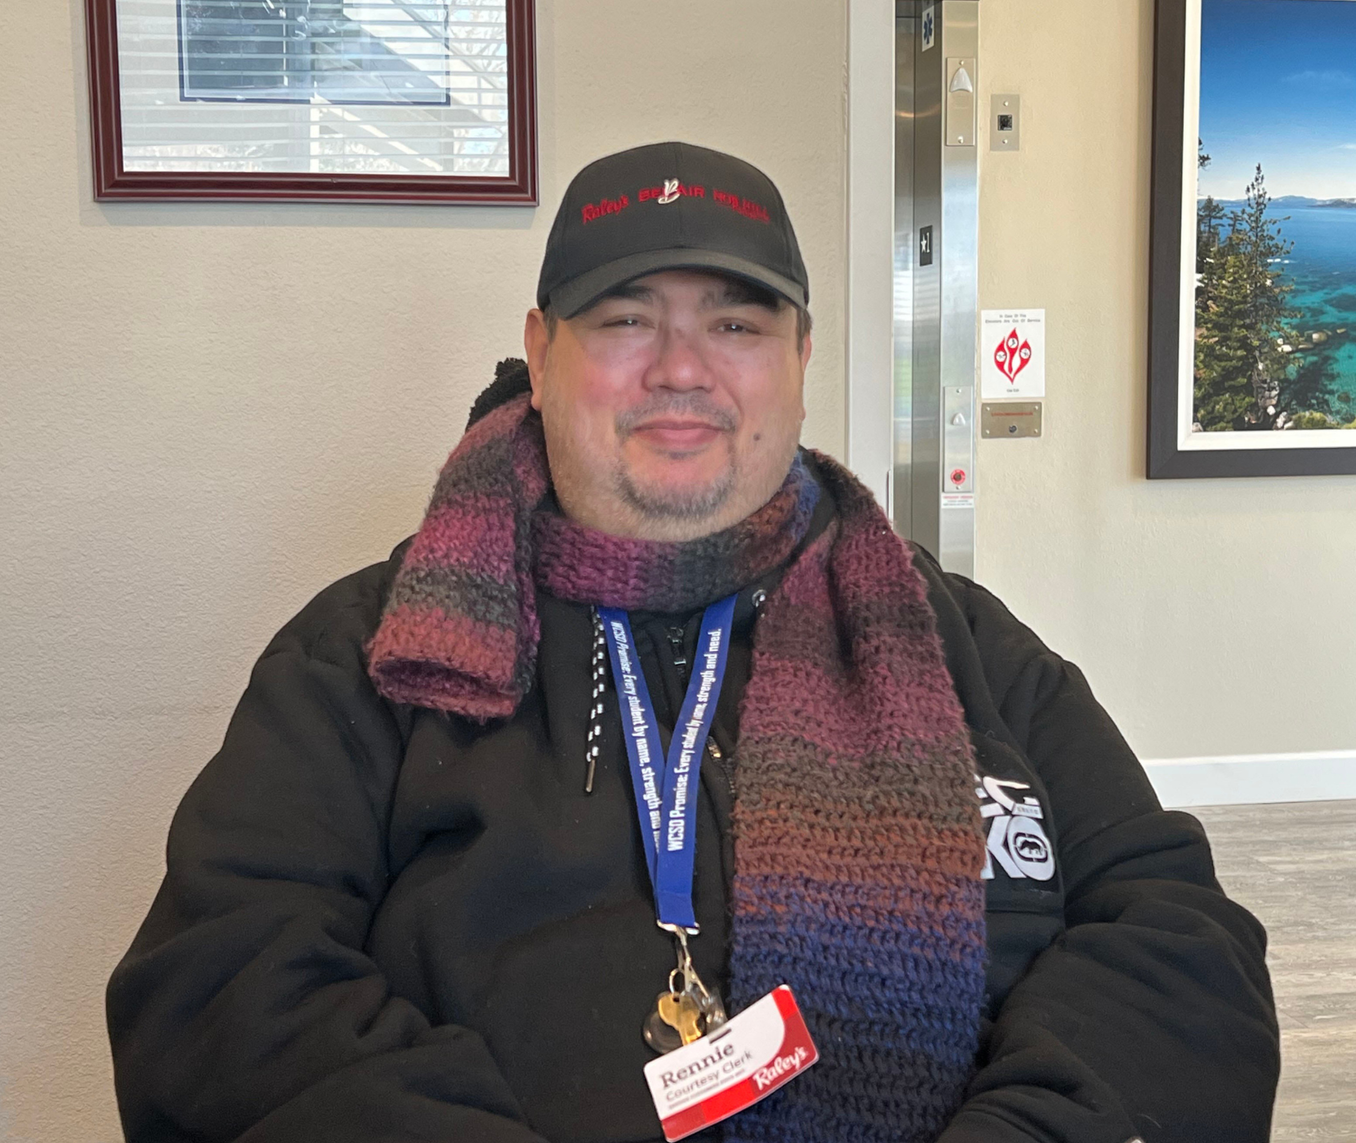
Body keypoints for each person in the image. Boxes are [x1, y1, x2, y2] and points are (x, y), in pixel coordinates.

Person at [106, 142, 1280, 1143]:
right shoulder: (365, 653)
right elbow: (218, 984)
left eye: (736, 320)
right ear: (542, 347)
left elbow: (1181, 946)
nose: (681, 368)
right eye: (625, 319)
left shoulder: (959, 641)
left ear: (802, 363)